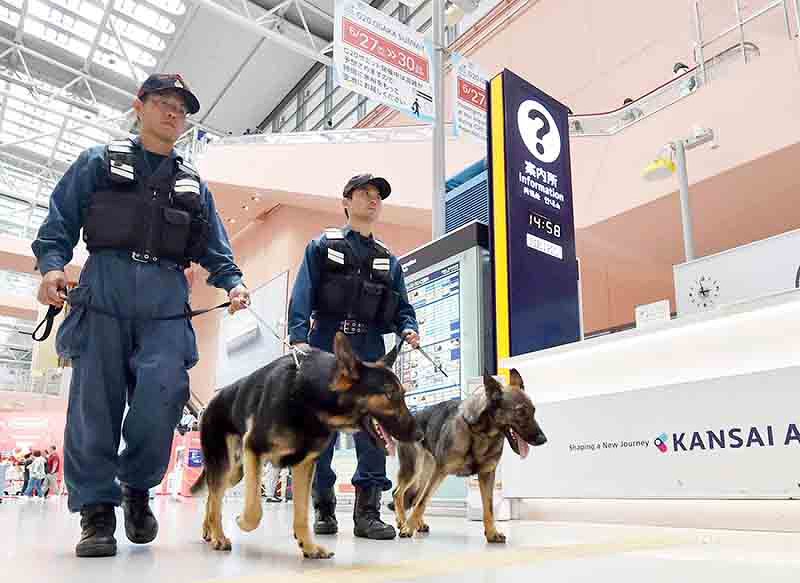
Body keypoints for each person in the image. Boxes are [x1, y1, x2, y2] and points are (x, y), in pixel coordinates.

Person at [32, 73, 250, 558]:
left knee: (164, 395)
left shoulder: (193, 182)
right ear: (140, 106)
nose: (174, 113)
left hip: (166, 298)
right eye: (164, 103)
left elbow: (216, 245)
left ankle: (136, 488)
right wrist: (51, 268)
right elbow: (60, 220)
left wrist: (233, 282)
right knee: (94, 405)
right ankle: (96, 511)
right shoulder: (99, 160)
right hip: (104, 288)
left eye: (182, 108)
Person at [288, 173, 420, 540]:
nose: (373, 199)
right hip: (327, 345)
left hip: (370, 351)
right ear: (346, 201)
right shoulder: (321, 245)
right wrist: (298, 338)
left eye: (378, 195)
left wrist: (408, 326)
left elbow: (402, 306)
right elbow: (303, 292)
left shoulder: (387, 259)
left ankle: (368, 512)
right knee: (321, 428)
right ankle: (324, 504)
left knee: (374, 429)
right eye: (364, 193)